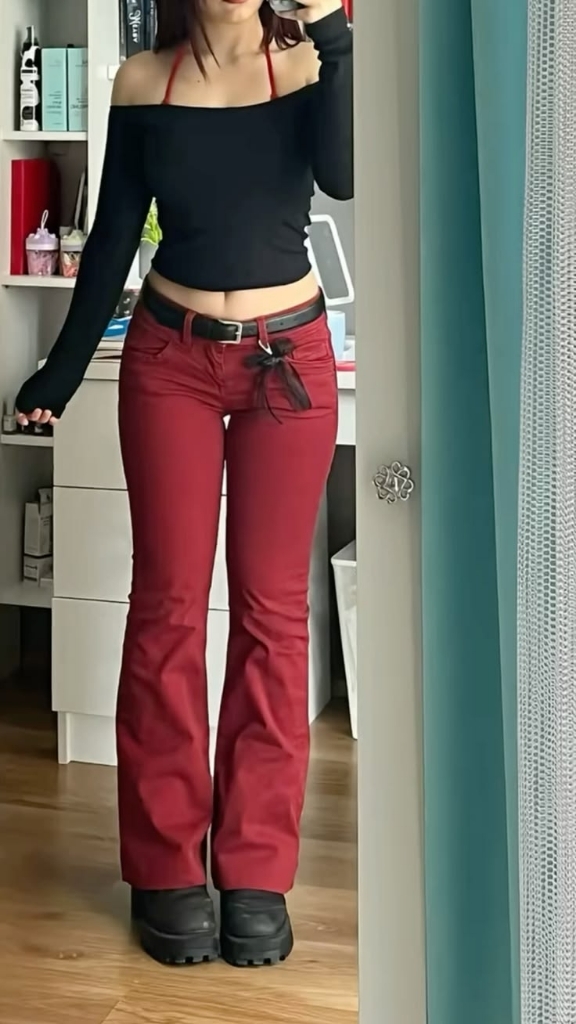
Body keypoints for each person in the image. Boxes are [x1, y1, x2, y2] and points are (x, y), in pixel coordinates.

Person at [16, 0, 352, 968]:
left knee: (272, 616)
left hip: (288, 363)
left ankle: (255, 873)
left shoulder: (309, 68)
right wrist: (60, 373)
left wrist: (334, 31)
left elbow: (345, 175)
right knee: (165, 609)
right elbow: (113, 237)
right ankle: (165, 869)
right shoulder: (142, 81)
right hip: (170, 359)